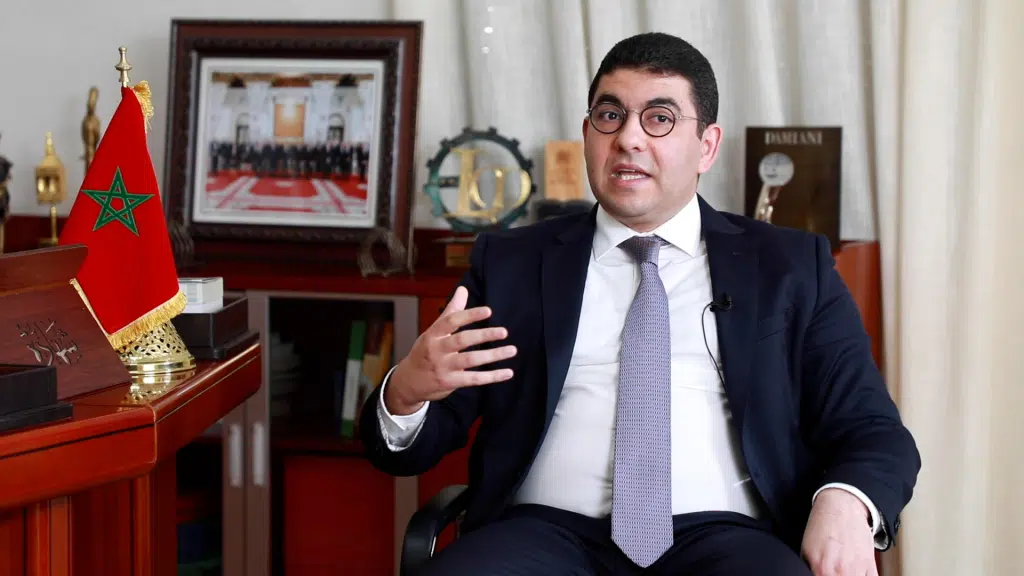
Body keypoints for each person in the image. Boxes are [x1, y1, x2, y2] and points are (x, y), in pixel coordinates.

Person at [360, 32, 920, 576]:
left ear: (707, 146)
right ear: (587, 134)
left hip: (727, 539)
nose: (628, 139)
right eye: (610, 116)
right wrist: (406, 391)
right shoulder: (511, 263)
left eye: (659, 118)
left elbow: (871, 427)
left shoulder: (790, 267)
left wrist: (845, 502)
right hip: (542, 534)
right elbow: (408, 452)